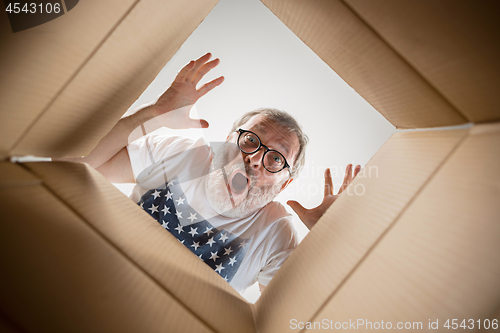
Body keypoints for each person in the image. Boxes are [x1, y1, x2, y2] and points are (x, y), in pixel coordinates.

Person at [59, 53, 360, 294]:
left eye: (276, 159)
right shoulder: (180, 155)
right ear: (227, 140)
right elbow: (71, 163)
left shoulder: (275, 234)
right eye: (251, 140)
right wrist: (153, 114)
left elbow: (283, 323)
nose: (255, 159)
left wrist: (328, 243)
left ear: (284, 185)